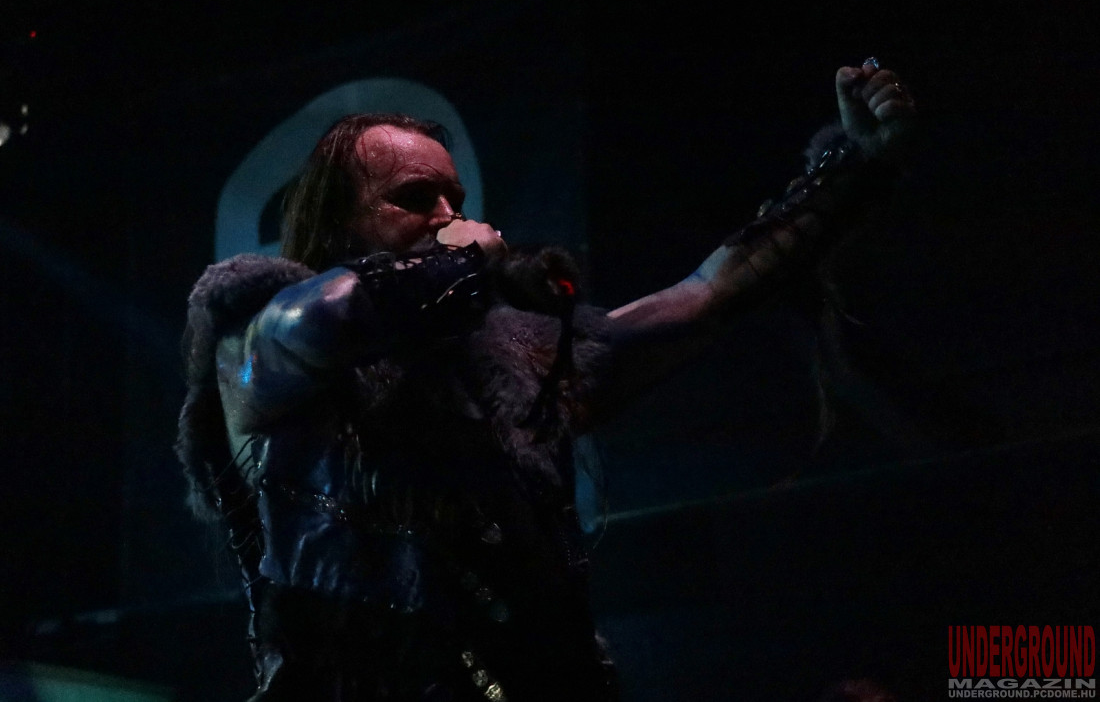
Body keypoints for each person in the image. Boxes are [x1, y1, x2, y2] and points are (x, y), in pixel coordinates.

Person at [177, 60, 914, 701]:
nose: (449, 218)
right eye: (415, 198)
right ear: (338, 223)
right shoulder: (258, 336)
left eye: (456, 201)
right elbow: (326, 319)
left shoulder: (516, 364)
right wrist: (464, 262)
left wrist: (852, 163)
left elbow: (708, 295)